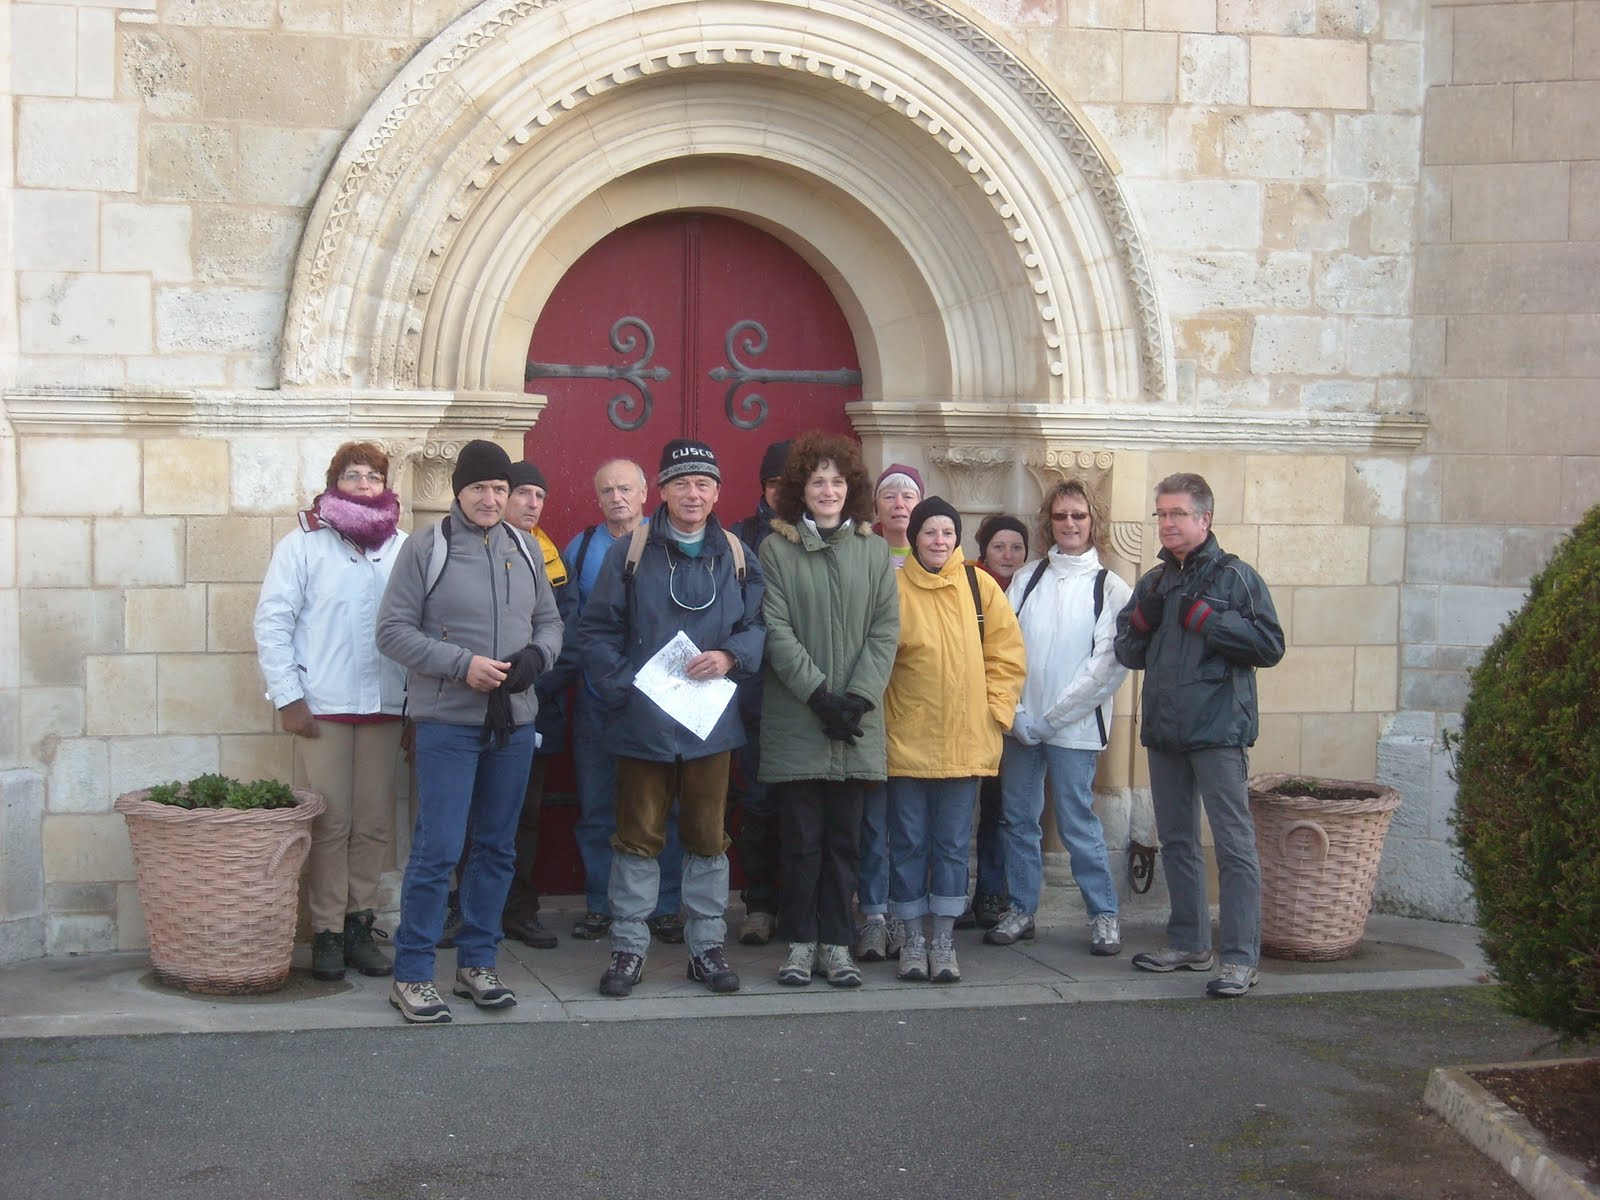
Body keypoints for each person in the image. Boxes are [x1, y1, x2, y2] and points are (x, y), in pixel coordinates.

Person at [376, 440, 564, 1023]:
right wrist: (462, 665)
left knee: (496, 848)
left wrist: (536, 657)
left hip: (514, 723)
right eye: (479, 488)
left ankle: (477, 964)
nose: (490, 499)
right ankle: (412, 973)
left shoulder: (525, 548)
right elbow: (392, 631)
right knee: (438, 849)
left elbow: (551, 622)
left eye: (500, 489)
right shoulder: (426, 547)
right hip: (447, 724)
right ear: (459, 491)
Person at [576, 439, 766, 998]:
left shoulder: (736, 554)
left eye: (703, 483)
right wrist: (627, 690)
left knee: (708, 838)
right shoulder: (631, 551)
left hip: (709, 725)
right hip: (644, 723)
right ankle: (629, 949)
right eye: (681, 483)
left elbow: (759, 625)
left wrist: (731, 656)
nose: (693, 493)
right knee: (636, 838)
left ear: (717, 493)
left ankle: (706, 949)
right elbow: (597, 631)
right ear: (661, 491)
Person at [1114, 472, 1284, 999]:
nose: (1167, 523)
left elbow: (1269, 645)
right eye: (1161, 514)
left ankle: (1239, 958)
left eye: (1178, 514)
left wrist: (1209, 620)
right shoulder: (1154, 583)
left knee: (1234, 845)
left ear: (1204, 519)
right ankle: (1189, 943)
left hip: (1219, 731)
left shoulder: (1237, 578)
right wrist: (1142, 622)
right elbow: (1127, 652)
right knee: (1177, 841)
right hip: (1165, 730)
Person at [254, 441, 406, 983]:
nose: (364, 484)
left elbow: (418, 626)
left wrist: (417, 703)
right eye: (352, 475)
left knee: (373, 823)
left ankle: (359, 924)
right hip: (324, 705)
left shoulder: (402, 547)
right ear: (334, 483)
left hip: (386, 703)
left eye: (373, 476)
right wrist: (288, 696)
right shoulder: (304, 543)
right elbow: (273, 620)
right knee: (332, 822)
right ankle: (326, 932)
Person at [758, 433, 899, 987]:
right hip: (801, 718)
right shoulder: (776, 551)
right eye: (818, 481)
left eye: (837, 481)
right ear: (801, 488)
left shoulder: (873, 551)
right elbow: (776, 630)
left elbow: (885, 630)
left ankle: (837, 945)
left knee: (845, 844)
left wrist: (858, 699)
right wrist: (818, 695)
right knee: (801, 844)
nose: (828, 490)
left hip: (856, 724)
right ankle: (799, 945)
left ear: (851, 488)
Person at [884, 496, 1025, 983]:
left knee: (951, 846)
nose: (939, 541)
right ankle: (912, 939)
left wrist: (995, 712)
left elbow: (1007, 655)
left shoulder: (977, 584)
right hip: (907, 742)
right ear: (914, 538)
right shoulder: (893, 587)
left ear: (957, 538)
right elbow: (879, 659)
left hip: (966, 742)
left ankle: (943, 940)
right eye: (929, 532)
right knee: (907, 844)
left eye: (947, 533)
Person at [988, 481, 1131, 955]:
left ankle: (1104, 914)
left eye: (1078, 516)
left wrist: (1053, 718)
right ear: (1048, 522)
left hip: (1074, 728)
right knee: (1018, 820)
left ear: (1093, 522)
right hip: (1021, 727)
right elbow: (1001, 648)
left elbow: (1106, 666)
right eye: (1060, 516)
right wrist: (1016, 713)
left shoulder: (1110, 588)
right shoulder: (1027, 578)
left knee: (1076, 823)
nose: (1069, 524)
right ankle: (1021, 909)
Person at [561, 459, 685, 944]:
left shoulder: (668, 542)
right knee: (597, 806)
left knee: (663, 807)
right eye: (608, 490)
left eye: (625, 489)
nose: (617, 497)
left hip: (659, 699)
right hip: (597, 699)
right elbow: (571, 622)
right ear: (598, 498)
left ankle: (665, 906)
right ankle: (601, 904)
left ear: (644, 494)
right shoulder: (581, 548)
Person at [854, 462, 925, 963]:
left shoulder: (936, 560)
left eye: (909, 496)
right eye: (890, 496)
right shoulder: (863, 554)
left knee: (910, 825)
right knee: (872, 823)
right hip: (870, 706)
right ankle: (873, 914)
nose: (899, 504)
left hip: (917, 710)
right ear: (875, 507)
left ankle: (906, 913)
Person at [730, 439, 791, 946]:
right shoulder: (738, 538)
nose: (782, 493)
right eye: (774, 484)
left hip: (805, 692)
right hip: (752, 690)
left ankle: (800, 905)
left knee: (805, 808)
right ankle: (760, 904)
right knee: (757, 803)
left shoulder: (822, 537)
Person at [967, 513, 1031, 929]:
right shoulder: (969, 584)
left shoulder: (1034, 587)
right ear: (984, 550)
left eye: (1016, 547)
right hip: (973, 713)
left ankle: (992, 892)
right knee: (960, 811)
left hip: (1018, 717)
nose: (1008, 555)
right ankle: (954, 892)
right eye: (999, 546)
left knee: (1002, 809)